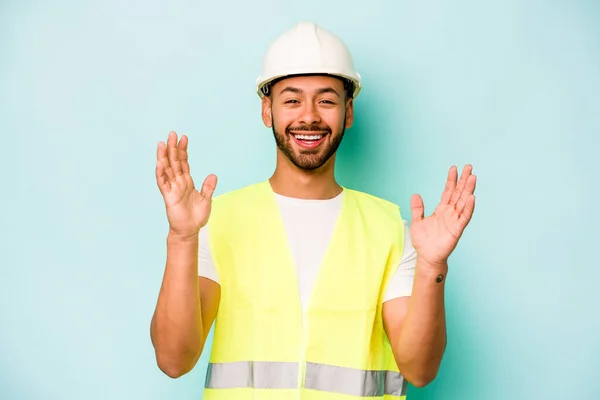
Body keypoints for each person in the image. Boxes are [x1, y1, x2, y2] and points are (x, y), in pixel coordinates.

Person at [150, 21, 477, 400]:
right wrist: (182, 237)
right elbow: (174, 360)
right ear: (266, 110)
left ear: (348, 111)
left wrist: (433, 266)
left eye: (326, 100)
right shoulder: (215, 221)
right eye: (291, 99)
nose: (309, 116)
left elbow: (420, 370)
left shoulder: (390, 230)